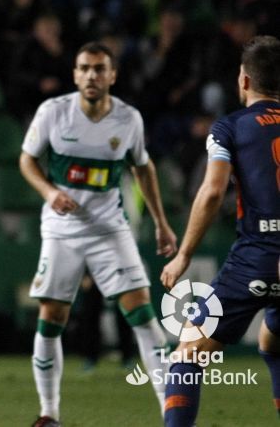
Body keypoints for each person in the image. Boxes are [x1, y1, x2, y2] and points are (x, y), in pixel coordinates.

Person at [19, 41, 178, 427]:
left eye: (99, 68)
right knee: (52, 315)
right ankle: (48, 413)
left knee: (142, 313)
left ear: (112, 75)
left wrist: (161, 222)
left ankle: (172, 413)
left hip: (110, 228)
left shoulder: (128, 119)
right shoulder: (54, 112)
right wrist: (49, 192)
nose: (92, 75)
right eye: (85, 68)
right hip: (62, 230)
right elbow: (27, 160)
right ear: (75, 75)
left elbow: (143, 168)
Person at [161, 35, 280, 427]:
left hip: (258, 258)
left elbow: (212, 192)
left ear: (243, 81)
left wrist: (184, 254)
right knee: (273, 341)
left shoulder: (230, 127)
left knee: (187, 353)